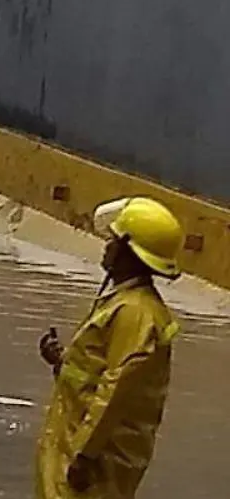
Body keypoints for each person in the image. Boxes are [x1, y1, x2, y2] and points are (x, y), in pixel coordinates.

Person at [35, 197, 183, 499]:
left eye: (114, 240)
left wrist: (85, 454)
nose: (106, 245)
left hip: (95, 454)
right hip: (75, 437)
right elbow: (95, 372)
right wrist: (62, 362)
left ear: (129, 252)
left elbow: (117, 390)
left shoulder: (135, 313)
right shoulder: (123, 303)